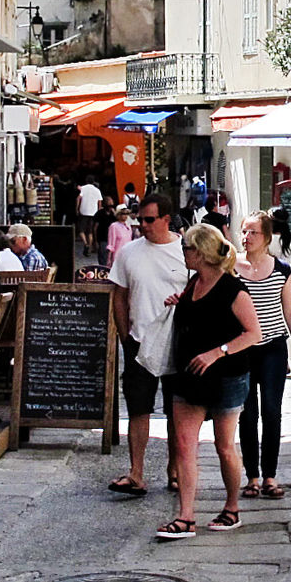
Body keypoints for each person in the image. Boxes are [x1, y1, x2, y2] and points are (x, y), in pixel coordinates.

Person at [156, 223, 263, 539]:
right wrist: (180, 302)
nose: (183, 253)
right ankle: (185, 515)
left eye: (186, 248)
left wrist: (218, 352)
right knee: (184, 443)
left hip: (226, 376)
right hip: (189, 374)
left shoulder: (233, 289)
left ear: (200, 252)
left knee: (224, 446)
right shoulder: (193, 283)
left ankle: (232, 507)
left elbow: (253, 334)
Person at [107, 192, 188, 497]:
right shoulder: (129, 252)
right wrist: (124, 334)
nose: (142, 225)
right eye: (139, 219)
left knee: (176, 410)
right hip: (139, 340)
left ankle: (175, 468)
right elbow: (119, 294)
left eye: (149, 220)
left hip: (177, 341)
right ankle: (136, 472)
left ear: (166, 219)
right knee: (138, 408)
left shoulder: (185, 249)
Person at [237, 211, 291, 499]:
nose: (246, 237)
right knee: (247, 414)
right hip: (241, 349)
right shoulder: (231, 268)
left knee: (272, 411)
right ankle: (251, 476)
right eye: (244, 231)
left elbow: (289, 311)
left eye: (253, 232)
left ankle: (270, 476)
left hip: (273, 347)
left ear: (266, 237)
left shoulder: (281, 269)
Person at [76, 177, 102, 253]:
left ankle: (86, 243)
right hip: (94, 212)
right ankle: (90, 246)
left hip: (84, 211)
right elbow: (99, 202)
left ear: (86, 181)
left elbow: (78, 198)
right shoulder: (97, 190)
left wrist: (77, 208)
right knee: (90, 231)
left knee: (81, 230)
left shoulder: (83, 188)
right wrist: (99, 210)